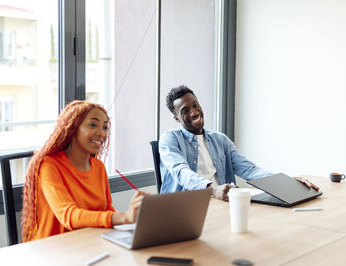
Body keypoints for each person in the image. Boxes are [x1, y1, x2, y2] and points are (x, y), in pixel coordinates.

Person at [159, 85, 319, 200]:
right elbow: (181, 172)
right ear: (176, 118)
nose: (194, 112)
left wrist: (286, 181)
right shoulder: (170, 139)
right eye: (185, 111)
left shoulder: (220, 139)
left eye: (195, 105)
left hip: (222, 203)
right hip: (185, 208)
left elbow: (250, 170)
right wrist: (214, 190)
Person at [21, 100, 147, 242]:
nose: (101, 133)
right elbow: (68, 215)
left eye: (105, 127)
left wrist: (136, 220)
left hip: (87, 241)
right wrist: (124, 217)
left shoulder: (98, 167)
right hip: (53, 248)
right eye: (93, 125)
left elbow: (106, 209)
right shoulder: (48, 165)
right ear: (72, 128)